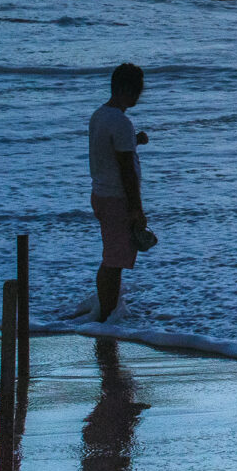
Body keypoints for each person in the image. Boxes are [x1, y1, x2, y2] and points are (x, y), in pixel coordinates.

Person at [89, 63, 152, 322]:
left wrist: (134, 140)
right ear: (128, 89)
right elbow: (126, 170)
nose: (140, 95)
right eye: (138, 90)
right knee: (114, 261)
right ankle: (106, 317)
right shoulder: (121, 122)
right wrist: (137, 209)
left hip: (100, 194)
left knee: (113, 256)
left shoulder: (100, 115)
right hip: (117, 198)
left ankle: (107, 310)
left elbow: (108, 148)